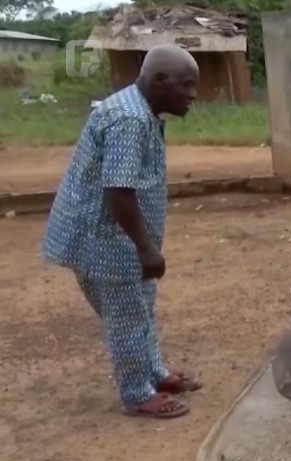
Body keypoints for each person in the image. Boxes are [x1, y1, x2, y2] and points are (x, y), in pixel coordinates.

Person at [40, 45, 201, 419]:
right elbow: (119, 190)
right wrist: (146, 248)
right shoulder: (128, 119)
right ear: (159, 81)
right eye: (187, 85)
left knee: (140, 306)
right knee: (127, 315)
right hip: (105, 239)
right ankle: (136, 393)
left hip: (118, 236)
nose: (194, 95)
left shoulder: (141, 111)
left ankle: (154, 373)